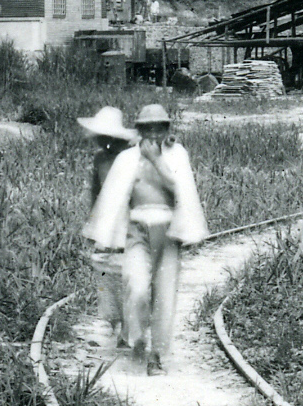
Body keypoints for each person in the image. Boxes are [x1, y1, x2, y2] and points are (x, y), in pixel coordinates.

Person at [83, 103, 209, 374]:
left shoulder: (177, 154)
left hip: (168, 230)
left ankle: (157, 355)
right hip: (138, 228)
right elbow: (114, 199)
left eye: (159, 128)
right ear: (139, 130)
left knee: (164, 293)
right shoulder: (127, 158)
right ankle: (137, 337)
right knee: (136, 285)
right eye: (147, 129)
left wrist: (156, 160)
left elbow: (180, 188)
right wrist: (108, 233)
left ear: (167, 129)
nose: (153, 134)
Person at [76, 105, 139, 349]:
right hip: (108, 217)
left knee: (128, 268)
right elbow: (96, 191)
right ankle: (112, 321)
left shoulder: (132, 158)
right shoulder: (100, 158)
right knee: (104, 267)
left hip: (128, 217)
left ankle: (128, 326)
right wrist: (94, 223)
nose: (100, 141)